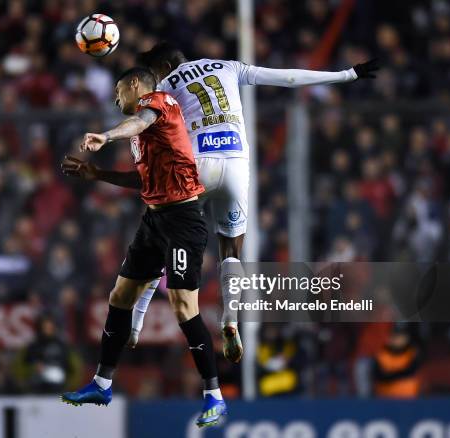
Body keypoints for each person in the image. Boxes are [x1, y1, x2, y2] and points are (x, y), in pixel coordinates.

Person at [130, 42, 379, 363]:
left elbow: (146, 128)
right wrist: (347, 74)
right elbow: (287, 78)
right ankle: (230, 319)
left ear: (161, 68)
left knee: (158, 237)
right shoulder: (228, 67)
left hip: (198, 164)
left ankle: (134, 325)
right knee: (230, 251)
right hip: (235, 164)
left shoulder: (165, 87)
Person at [60, 67, 226, 427]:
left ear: (135, 85)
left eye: (119, 90)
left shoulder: (158, 104)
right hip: (154, 220)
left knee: (184, 306)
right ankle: (102, 384)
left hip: (183, 219)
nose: (116, 98)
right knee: (120, 296)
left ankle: (214, 395)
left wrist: (106, 136)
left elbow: (137, 122)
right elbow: (144, 178)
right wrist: (98, 174)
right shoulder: (144, 133)